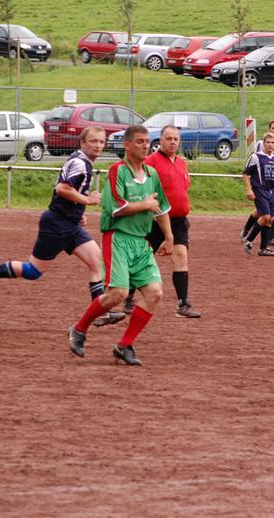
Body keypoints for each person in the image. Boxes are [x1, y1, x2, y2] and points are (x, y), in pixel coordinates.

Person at [0, 126, 124, 324]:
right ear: (83, 143)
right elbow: (62, 189)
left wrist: (77, 212)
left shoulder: (82, 162)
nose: (98, 145)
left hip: (69, 223)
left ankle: (99, 312)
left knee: (95, 261)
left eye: (101, 141)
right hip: (56, 224)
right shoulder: (80, 163)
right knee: (33, 271)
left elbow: (66, 191)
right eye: (93, 141)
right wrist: (87, 200)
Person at [67, 124, 173, 366]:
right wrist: (145, 204)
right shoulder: (118, 171)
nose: (145, 145)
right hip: (118, 238)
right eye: (139, 141)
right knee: (119, 293)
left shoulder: (152, 174)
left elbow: (161, 208)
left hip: (141, 242)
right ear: (126, 145)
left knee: (155, 293)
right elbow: (117, 209)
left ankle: (124, 345)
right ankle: (79, 328)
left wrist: (169, 237)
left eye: (147, 141)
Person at [104, 124, 202, 323]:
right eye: (168, 138)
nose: (172, 142)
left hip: (178, 221)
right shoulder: (151, 161)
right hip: (154, 221)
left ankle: (183, 304)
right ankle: (128, 298)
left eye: (176, 139)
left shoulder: (181, 163)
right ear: (161, 141)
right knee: (139, 260)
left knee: (181, 256)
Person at [241, 119, 274, 247]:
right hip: (260, 186)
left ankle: (266, 244)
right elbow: (248, 170)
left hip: (271, 187)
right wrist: (249, 188)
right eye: (273, 128)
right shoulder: (258, 149)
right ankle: (248, 235)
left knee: (269, 215)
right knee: (264, 215)